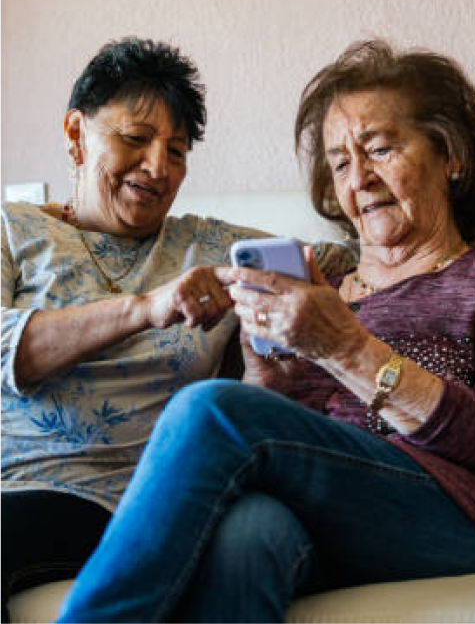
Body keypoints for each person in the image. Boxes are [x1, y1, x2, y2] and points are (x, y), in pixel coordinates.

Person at [55, 39, 475, 623]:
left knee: (209, 408)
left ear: (451, 157)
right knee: (249, 531)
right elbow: (286, 447)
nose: (360, 178)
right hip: (334, 516)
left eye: (380, 149)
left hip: (459, 517)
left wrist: (348, 349)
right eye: (340, 164)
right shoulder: (319, 291)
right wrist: (268, 381)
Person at [0, 37, 349, 622]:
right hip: (15, 483)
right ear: (75, 133)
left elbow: (351, 260)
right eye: (136, 139)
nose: (158, 168)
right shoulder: (13, 230)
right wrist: (145, 308)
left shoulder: (209, 246)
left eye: (178, 152)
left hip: (140, 502)